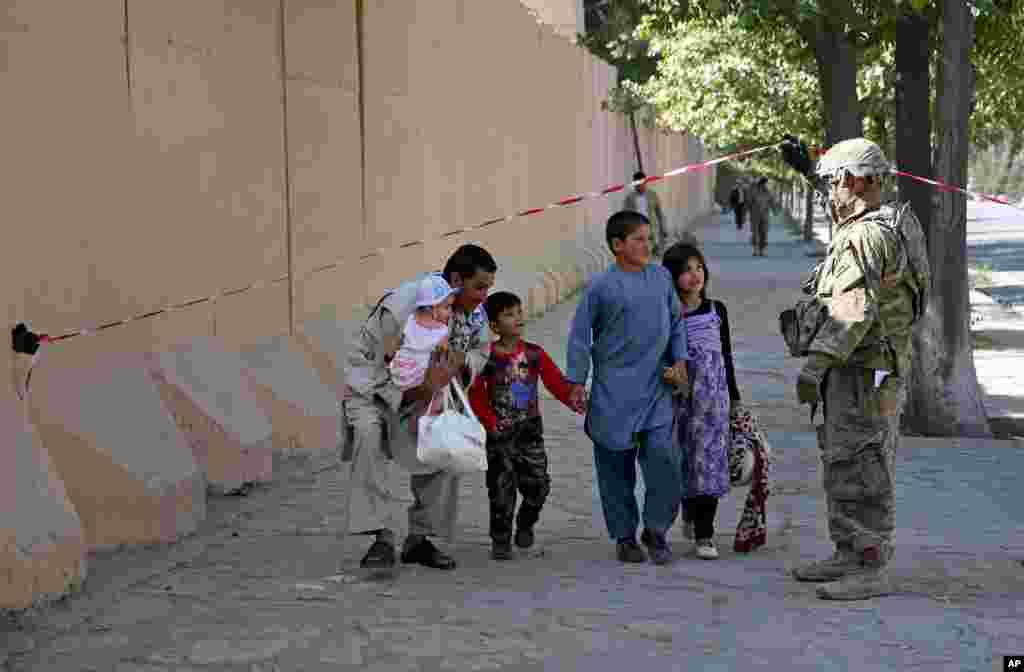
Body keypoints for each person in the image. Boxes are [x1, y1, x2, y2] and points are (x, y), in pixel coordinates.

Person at [780, 136, 929, 600]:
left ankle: (869, 564)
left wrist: (815, 368)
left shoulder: (866, 235)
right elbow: (845, 211)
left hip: (866, 371)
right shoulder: (882, 221)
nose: (829, 190)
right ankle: (848, 550)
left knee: (863, 462)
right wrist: (809, 168)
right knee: (845, 458)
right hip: (870, 368)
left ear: (855, 180)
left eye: (833, 180)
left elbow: (854, 310)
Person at [342, 244, 497, 571]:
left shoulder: (474, 314)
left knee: (444, 444)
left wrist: (457, 366)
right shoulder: (404, 306)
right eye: (479, 287)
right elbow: (379, 360)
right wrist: (415, 389)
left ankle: (420, 539)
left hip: (431, 390)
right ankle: (380, 538)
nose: (484, 296)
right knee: (369, 437)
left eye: (489, 288)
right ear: (456, 279)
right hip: (374, 387)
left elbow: (480, 349)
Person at [566, 210, 690, 565]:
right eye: (638, 238)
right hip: (613, 393)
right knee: (614, 467)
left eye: (648, 237)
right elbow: (579, 336)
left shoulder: (662, 278)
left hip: (656, 389)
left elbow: (676, 322)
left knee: (665, 461)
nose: (646, 244)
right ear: (617, 245)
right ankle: (624, 535)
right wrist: (576, 380)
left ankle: (656, 529)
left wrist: (679, 361)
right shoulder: (601, 286)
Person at [467, 291, 583, 560]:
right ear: (494, 326)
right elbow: (476, 393)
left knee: (539, 485)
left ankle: (526, 522)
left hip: (530, 433)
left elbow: (555, 382)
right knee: (500, 490)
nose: (517, 318)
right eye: (509, 314)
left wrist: (574, 398)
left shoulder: (534, 354)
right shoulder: (487, 358)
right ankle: (501, 540)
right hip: (498, 435)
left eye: (518, 312)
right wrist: (489, 422)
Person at [661, 243, 741, 560]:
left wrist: (735, 399)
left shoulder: (716, 310)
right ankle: (689, 512)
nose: (694, 276)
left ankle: (706, 535)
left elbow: (727, 356)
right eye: (685, 271)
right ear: (672, 277)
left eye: (698, 268)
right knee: (682, 462)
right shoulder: (667, 315)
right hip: (678, 401)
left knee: (709, 462)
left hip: (713, 401)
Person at [388, 275, 456, 418]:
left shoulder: (409, 320)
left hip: (400, 375)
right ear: (432, 308)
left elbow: (394, 347)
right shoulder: (441, 331)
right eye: (447, 307)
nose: (450, 312)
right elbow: (442, 356)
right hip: (421, 378)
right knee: (440, 390)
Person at [623, 171, 668, 256]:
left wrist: (663, 228)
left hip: (651, 229)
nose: (639, 186)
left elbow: (659, 214)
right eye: (637, 184)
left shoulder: (653, 195)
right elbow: (625, 216)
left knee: (654, 253)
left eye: (642, 183)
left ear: (646, 182)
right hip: (636, 230)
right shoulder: (629, 198)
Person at [748, 177, 773, 256]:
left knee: (764, 233)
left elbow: (771, 201)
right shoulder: (754, 191)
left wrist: (775, 210)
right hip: (755, 215)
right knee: (755, 233)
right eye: (766, 183)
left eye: (767, 184)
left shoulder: (768, 192)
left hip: (765, 216)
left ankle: (763, 250)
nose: (766, 185)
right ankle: (755, 250)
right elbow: (749, 202)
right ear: (762, 183)